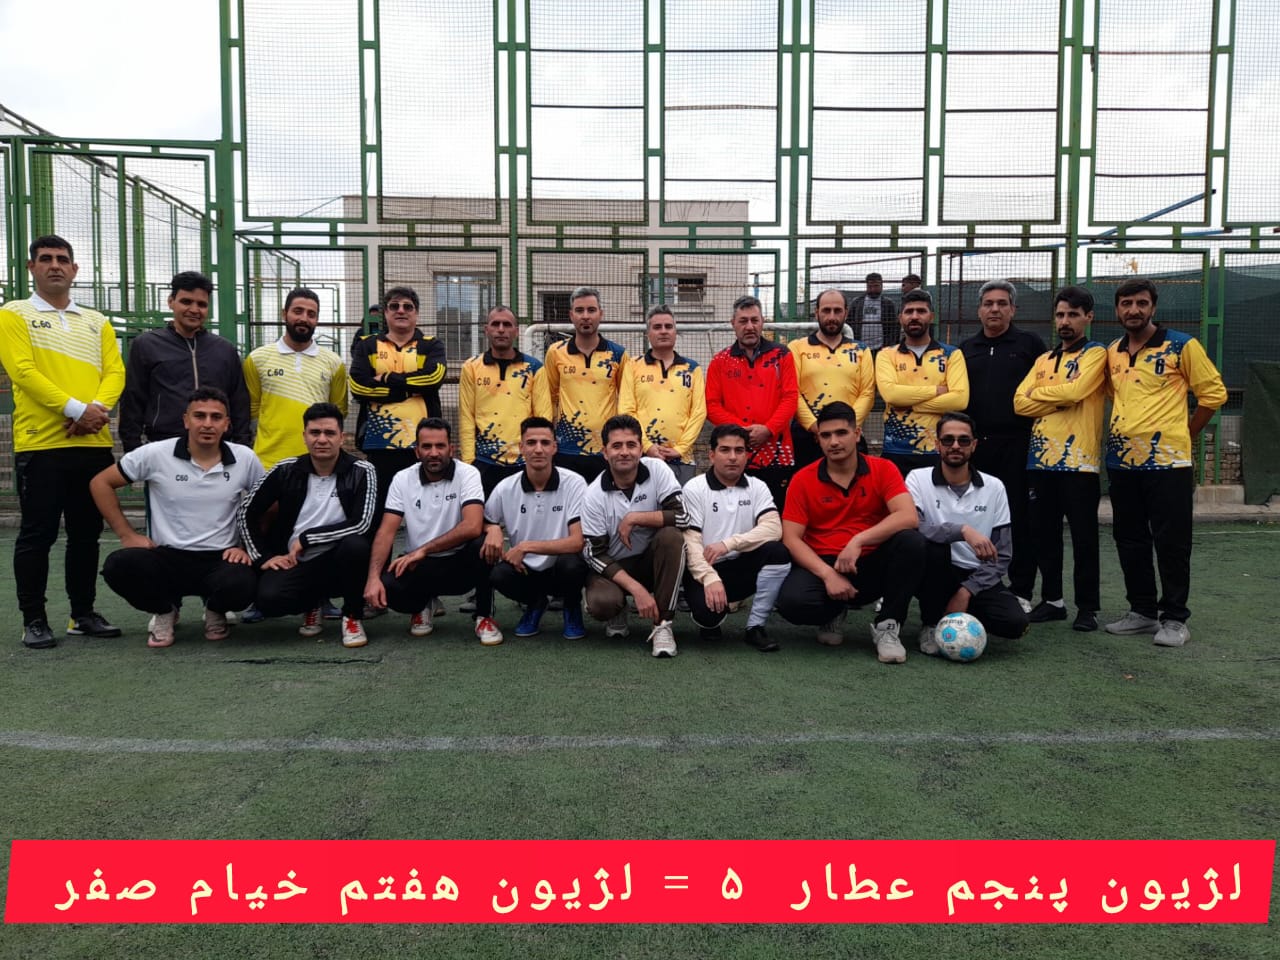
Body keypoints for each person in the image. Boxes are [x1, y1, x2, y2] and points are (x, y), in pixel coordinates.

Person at [0, 235, 126, 648]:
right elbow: (23, 372)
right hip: (41, 445)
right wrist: (76, 410)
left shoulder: (97, 321)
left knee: (86, 534)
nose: (55, 265)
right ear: (31, 267)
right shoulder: (13, 314)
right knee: (37, 535)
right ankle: (34, 620)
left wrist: (96, 411)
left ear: (74, 269)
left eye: (62, 259)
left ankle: (82, 614)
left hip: (92, 444)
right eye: (45, 259)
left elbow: (115, 372)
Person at [1102, 278, 1227, 647]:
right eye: (1126, 303)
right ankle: (1142, 612)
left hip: (1169, 464)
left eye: (1141, 303)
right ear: (1117, 310)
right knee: (1129, 539)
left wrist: (1186, 433)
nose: (1134, 310)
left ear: (1153, 307)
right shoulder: (1112, 352)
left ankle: (1174, 618)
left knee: (1172, 541)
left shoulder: (1181, 345)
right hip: (1122, 463)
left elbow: (1213, 394)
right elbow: (1114, 395)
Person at [93, 387, 263, 647]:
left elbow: (265, 505)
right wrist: (127, 534)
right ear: (186, 420)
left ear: (227, 424)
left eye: (216, 417)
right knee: (119, 566)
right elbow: (100, 483)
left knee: (245, 581)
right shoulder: (155, 454)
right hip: (166, 556)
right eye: (199, 416)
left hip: (220, 558)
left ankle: (215, 609)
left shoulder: (245, 458)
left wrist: (245, 547)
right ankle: (164, 610)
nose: (207, 424)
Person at [775, 402, 925, 663]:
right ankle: (834, 611)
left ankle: (888, 625)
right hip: (824, 563)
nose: (834, 442)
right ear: (818, 439)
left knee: (912, 543)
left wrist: (859, 540)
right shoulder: (802, 479)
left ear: (857, 434)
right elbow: (791, 538)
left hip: (871, 562)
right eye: (826, 435)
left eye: (841, 433)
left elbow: (908, 516)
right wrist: (828, 575)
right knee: (792, 603)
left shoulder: (883, 469)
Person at [238, 402, 377, 647]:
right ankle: (312, 604)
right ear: (304, 436)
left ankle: (352, 616)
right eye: (315, 433)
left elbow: (361, 523)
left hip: (340, 558)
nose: (322, 439)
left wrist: (307, 538)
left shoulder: (362, 471)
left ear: (341, 437)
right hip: (296, 561)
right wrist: (263, 557)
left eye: (329, 433)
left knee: (356, 546)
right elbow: (246, 512)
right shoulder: (285, 470)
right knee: (269, 600)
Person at [1013, 285, 1108, 631]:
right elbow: (1018, 403)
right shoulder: (1043, 359)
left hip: (1079, 462)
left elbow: (1078, 391)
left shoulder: (1096, 353)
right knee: (1044, 535)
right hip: (1040, 461)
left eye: (1073, 315)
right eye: (1060, 315)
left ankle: (1088, 607)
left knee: (1084, 538)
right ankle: (1053, 600)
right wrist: (1060, 399)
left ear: (1088, 317)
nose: (1065, 321)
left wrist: (1042, 395)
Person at [364, 417, 497, 644]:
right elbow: (386, 531)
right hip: (419, 565)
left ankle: (484, 616)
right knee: (387, 586)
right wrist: (373, 578)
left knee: (482, 544)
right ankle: (423, 604)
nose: (434, 453)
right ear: (417, 451)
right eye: (427, 446)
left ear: (451, 449)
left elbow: (473, 525)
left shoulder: (468, 473)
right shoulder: (402, 479)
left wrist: (424, 549)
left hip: (459, 563)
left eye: (440, 446)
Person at [908, 412, 1031, 653]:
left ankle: (960, 613)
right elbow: (916, 527)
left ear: (973, 445)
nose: (955, 446)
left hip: (977, 573)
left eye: (963, 440)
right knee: (930, 547)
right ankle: (931, 623)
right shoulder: (918, 479)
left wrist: (967, 591)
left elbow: (1003, 553)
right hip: (936, 570)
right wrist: (963, 530)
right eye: (948, 440)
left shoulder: (994, 486)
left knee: (1015, 624)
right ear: (937, 444)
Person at [959, 280, 1046, 610]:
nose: (994, 309)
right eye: (988, 303)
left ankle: (1021, 589)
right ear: (979, 310)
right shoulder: (966, 348)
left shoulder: (1030, 344)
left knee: (1019, 517)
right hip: (976, 447)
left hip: (1018, 445)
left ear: (1013, 309)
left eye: (1001, 303)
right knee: (976, 516)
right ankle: (976, 582)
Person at [580, 415, 688, 657]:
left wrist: (635, 517)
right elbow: (593, 554)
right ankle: (618, 608)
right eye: (616, 446)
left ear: (641, 449)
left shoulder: (658, 469)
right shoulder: (593, 494)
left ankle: (662, 625)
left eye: (631, 445)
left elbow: (683, 517)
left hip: (650, 561)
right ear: (605, 452)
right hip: (615, 566)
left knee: (672, 536)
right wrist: (637, 589)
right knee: (602, 604)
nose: (624, 452)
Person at [681, 424, 791, 652]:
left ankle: (755, 627)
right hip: (704, 568)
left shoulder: (757, 487)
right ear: (712, 455)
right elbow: (691, 541)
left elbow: (773, 528)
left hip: (741, 565)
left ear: (747, 455)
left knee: (778, 552)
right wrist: (709, 577)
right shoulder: (694, 488)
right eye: (725, 450)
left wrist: (728, 544)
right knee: (708, 616)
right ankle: (712, 618)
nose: (732, 457)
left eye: (739, 450)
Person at [479, 417, 590, 640]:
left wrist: (526, 547)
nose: (538, 449)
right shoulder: (505, 487)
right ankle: (535, 603)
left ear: (554, 447)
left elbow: (577, 541)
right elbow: (484, 520)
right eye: (531, 443)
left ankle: (571, 606)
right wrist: (493, 529)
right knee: (499, 574)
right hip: (525, 569)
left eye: (545, 443)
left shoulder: (574, 483)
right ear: (521, 447)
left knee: (572, 564)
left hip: (561, 567)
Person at [119, 271, 251, 451]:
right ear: (171, 301)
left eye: (202, 304)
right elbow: (133, 400)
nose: (194, 310)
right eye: (186, 302)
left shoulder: (225, 350)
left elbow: (239, 403)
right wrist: (132, 449)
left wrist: (242, 448)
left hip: (216, 449)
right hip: (164, 446)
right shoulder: (146, 345)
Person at [349, 286, 447, 520]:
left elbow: (433, 378)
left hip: (422, 445)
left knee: (424, 511)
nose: (401, 311)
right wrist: (406, 392)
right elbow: (358, 386)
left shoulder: (431, 345)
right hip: (379, 444)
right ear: (385, 313)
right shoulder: (367, 345)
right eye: (394, 306)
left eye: (407, 307)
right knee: (381, 512)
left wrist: (386, 378)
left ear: (416, 314)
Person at [705, 294, 799, 507]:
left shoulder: (782, 355)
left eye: (754, 320)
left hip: (777, 453)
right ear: (733, 323)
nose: (749, 326)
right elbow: (711, 405)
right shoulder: (719, 361)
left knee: (774, 512)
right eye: (743, 321)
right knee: (734, 512)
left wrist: (768, 429)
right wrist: (741, 432)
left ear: (762, 321)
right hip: (735, 454)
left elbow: (790, 398)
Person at [244, 287, 349, 470]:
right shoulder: (257, 359)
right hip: (268, 462)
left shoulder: (334, 363)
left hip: (317, 464)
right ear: (284, 314)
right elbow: (252, 410)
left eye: (311, 314)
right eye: (298, 311)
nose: (304, 318)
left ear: (317, 319)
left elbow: (338, 411)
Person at [875, 289, 970, 477]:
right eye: (909, 312)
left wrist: (911, 405)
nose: (914, 316)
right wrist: (937, 390)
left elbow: (960, 400)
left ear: (931, 317)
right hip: (896, 450)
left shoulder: (951, 354)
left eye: (921, 311)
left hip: (937, 451)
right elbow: (891, 395)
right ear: (900, 318)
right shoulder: (886, 354)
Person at [459, 304, 551, 496]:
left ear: (516, 331)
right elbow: (466, 416)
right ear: (486, 330)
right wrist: (469, 463)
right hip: (484, 461)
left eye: (507, 325)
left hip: (524, 461)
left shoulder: (534, 368)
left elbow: (543, 418)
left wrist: (541, 455)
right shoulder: (471, 367)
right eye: (496, 324)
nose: (501, 329)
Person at [542, 285, 627, 481]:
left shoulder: (618, 354)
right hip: (567, 449)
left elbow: (626, 400)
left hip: (605, 449)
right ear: (571, 315)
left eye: (591, 310)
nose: (586, 316)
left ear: (600, 314)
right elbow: (550, 398)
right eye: (580, 310)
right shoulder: (556, 352)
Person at [618, 304, 706, 484]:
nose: (663, 331)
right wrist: (647, 446)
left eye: (668, 326)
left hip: (682, 459)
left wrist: (680, 448)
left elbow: (699, 412)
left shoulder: (692, 368)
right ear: (648, 333)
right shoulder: (633, 366)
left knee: (679, 502)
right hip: (642, 456)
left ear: (675, 331)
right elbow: (626, 410)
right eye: (657, 327)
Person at [790, 288, 875, 466]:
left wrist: (846, 427)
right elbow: (792, 392)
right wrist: (816, 427)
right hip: (806, 437)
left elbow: (867, 393)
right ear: (816, 313)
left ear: (846, 313)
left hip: (849, 436)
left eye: (837, 311)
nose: (831, 317)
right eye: (826, 310)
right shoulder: (797, 348)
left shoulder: (861, 350)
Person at [849, 272, 898, 350]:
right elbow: (849, 323)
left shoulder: (888, 304)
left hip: (881, 347)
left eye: (876, 286)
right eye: (870, 286)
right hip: (860, 346)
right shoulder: (857, 303)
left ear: (881, 285)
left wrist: (890, 344)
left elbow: (894, 327)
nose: (873, 289)